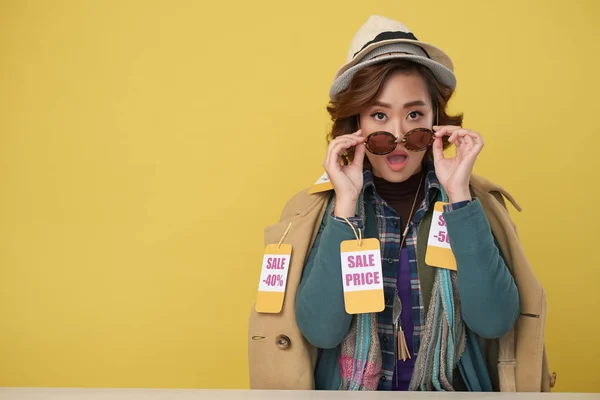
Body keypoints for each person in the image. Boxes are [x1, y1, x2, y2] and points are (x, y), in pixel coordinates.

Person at [294, 15, 520, 391]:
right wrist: (346, 206)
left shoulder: (469, 203)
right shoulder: (327, 211)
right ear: (356, 126)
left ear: (436, 122)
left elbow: (495, 320)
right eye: (379, 115)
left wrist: (460, 197)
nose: (398, 135)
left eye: (414, 114)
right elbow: (321, 331)